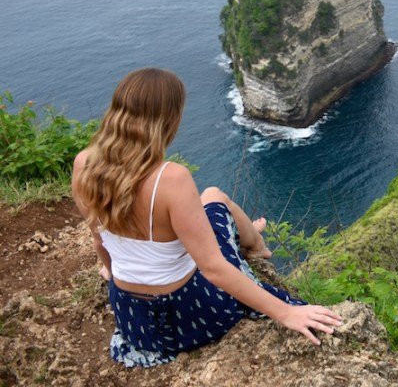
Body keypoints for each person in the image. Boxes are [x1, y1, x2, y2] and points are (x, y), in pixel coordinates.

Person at [71, 67, 342, 368]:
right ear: (169, 119)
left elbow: (99, 241)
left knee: (198, 216)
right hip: (191, 315)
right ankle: (256, 245)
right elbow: (213, 269)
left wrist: (115, 272)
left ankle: (251, 238)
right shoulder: (170, 179)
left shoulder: (84, 164)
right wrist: (286, 312)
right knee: (213, 196)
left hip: (134, 321)